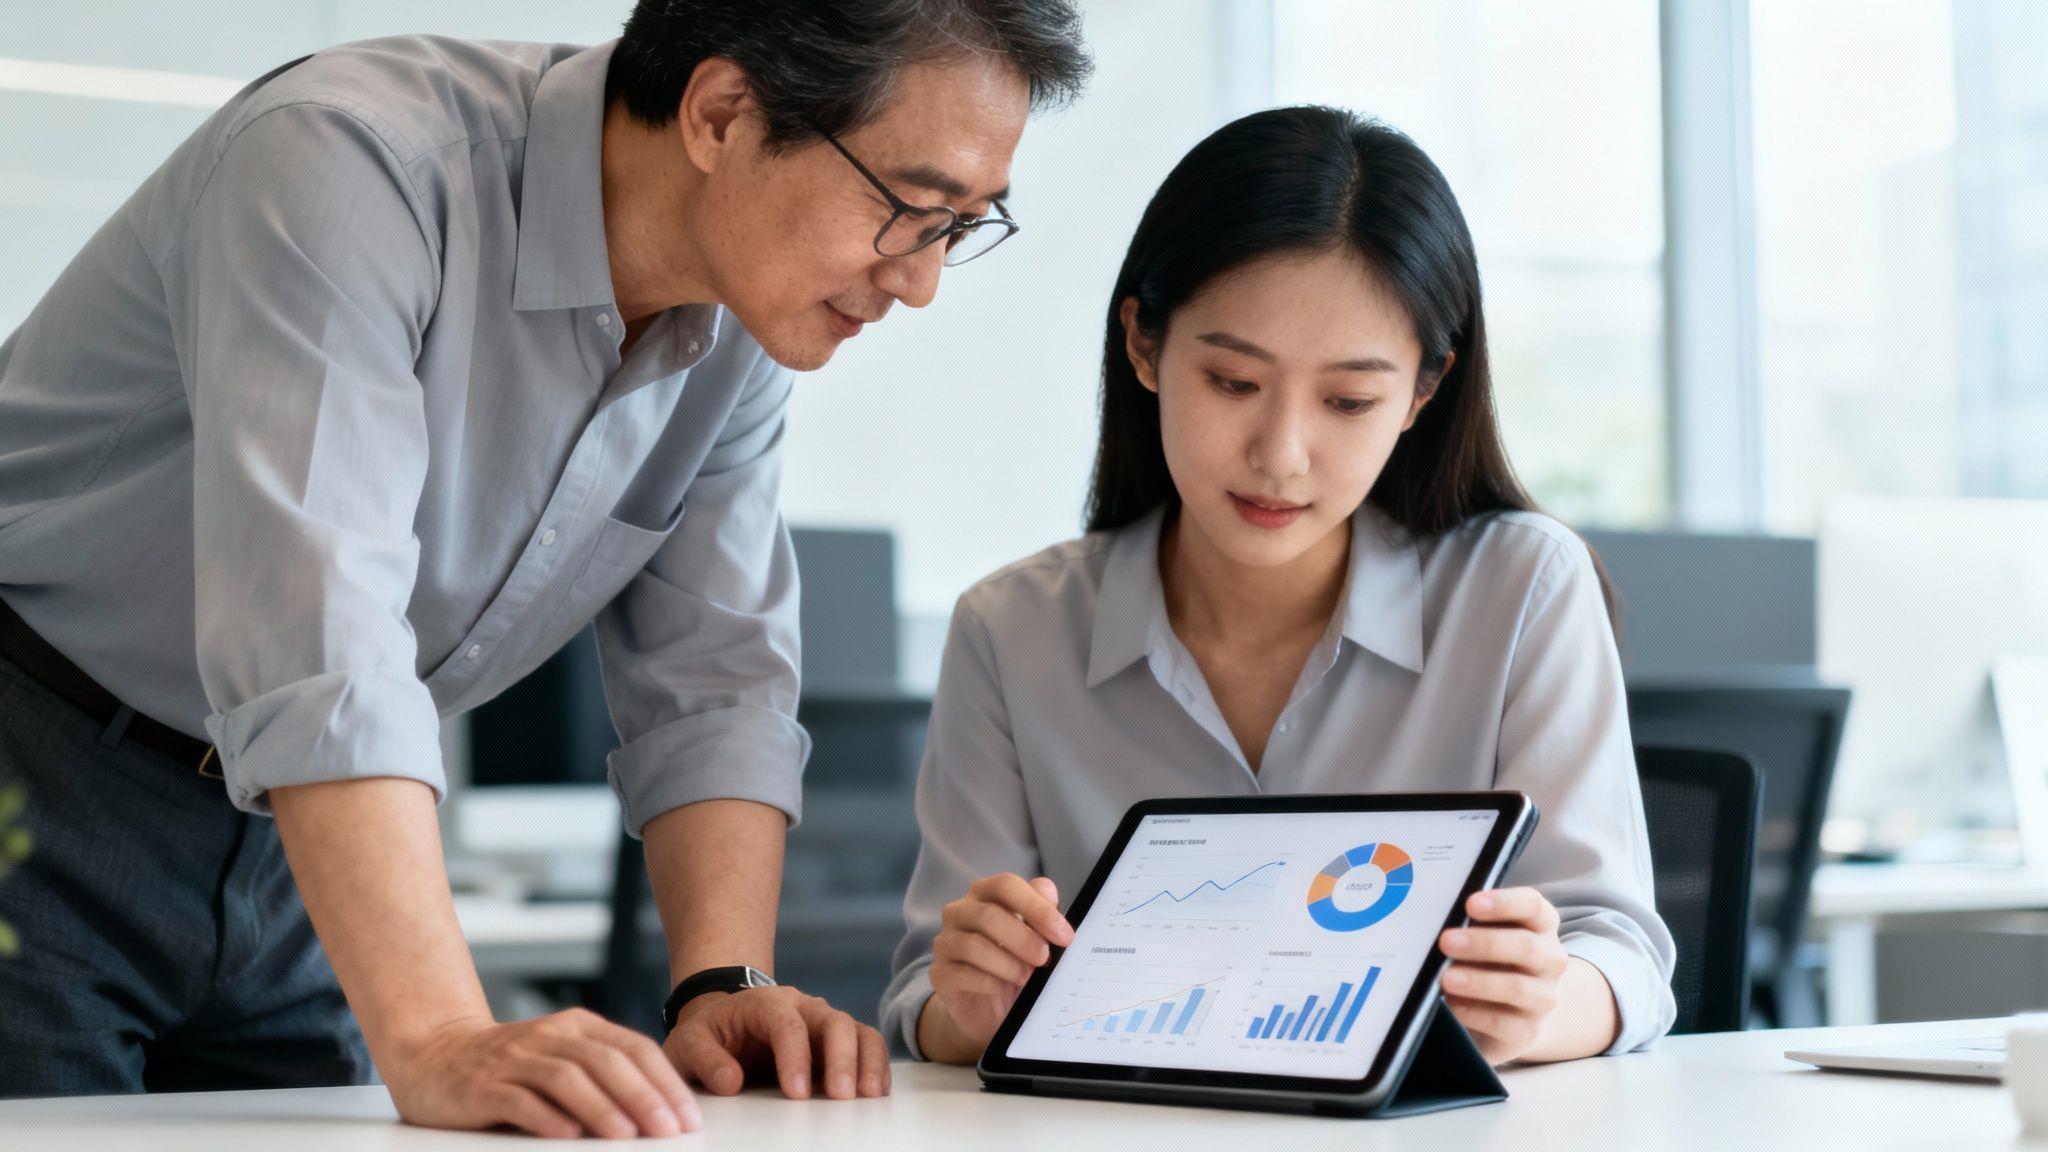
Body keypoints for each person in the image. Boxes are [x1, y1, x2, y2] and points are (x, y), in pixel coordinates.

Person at [0, 0, 1090, 1137]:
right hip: (38, 772)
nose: (919, 283)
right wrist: (436, 1037)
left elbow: (713, 676)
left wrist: (725, 982)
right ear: (721, 113)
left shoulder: (739, 323)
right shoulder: (351, 163)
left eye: (961, 224)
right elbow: (318, 638)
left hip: (285, 833)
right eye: (909, 207)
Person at [881, 105, 1677, 1068]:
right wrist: (968, 1002)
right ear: (1143, 345)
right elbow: (928, 998)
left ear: (1423, 394)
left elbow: (1620, 956)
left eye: (1349, 401)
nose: (1282, 456)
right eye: (1230, 382)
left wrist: (1541, 1007)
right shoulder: (1011, 631)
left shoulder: (1521, 587)